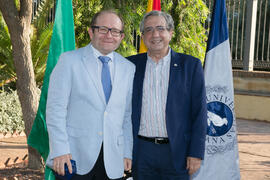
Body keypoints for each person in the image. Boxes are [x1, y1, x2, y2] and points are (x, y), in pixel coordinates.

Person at [46, 9, 135, 180]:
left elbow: (127, 115)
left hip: (113, 160)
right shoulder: (69, 61)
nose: (109, 35)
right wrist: (60, 150)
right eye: (103, 29)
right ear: (90, 31)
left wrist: (126, 152)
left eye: (115, 31)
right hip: (73, 157)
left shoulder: (128, 68)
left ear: (121, 37)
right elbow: (55, 109)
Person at [127, 11, 207, 180]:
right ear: (142, 36)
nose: (155, 34)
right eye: (148, 30)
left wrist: (196, 153)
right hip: (141, 152)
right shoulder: (129, 65)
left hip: (178, 152)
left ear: (170, 33)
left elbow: (199, 113)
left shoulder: (190, 66)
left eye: (160, 28)